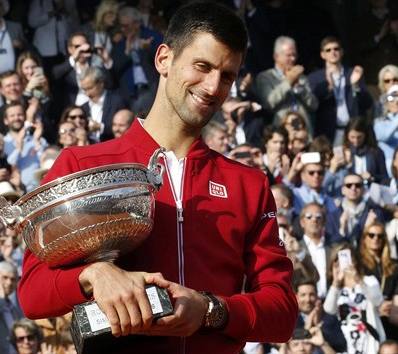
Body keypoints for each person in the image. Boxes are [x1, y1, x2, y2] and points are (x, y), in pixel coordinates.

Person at [18, 3, 298, 353]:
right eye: (202, 66)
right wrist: (93, 275)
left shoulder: (249, 184)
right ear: (164, 58)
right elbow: (32, 293)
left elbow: (282, 312)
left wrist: (211, 310)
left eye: (227, 75)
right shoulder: (82, 164)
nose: (212, 87)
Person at [308, 36, 372, 145]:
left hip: (353, 132)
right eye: (328, 50)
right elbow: (313, 106)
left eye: (336, 49)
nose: (333, 52)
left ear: (342, 52)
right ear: (322, 55)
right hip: (329, 132)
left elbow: (367, 103)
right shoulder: (315, 78)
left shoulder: (353, 73)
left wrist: (355, 85)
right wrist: (329, 86)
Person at [323, 243, 386, 353]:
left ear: (355, 260)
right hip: (347, 344)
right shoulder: (335, 288)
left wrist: (359, 280)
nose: (343, 261)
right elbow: (329, 309)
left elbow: (378, 301)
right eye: (338, 258)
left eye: (348, 256)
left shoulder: (369, 281)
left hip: (370, 342)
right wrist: (336, 283)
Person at [255, 36, 318, 133]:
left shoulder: (301, 77)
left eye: (294, 55)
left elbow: (313, 105)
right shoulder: (265, 77)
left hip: (304, 132)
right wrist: (288, 82)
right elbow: (269, 104)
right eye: (289, 55)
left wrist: (299, 88)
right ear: (277, 56)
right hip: (281, 131)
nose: (293, 59)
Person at [110, 6, 163, 113]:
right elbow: (114, 69)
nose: (123, 29)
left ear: (137, 24)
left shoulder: (153, 36)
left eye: (126, 26)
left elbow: (164, 60)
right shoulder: (119, 45)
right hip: (130, 92)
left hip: (152, 87)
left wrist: (147, 50)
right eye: (121, 26)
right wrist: (127, 53)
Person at [357, 222, 398, 342]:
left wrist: (391, 304)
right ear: (364, 239)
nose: (376, 238)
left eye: (380, 236)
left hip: (390, 314)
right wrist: (377, 305)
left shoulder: (395, 264)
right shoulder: (357, 264)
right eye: (371, 235)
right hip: (367, 314)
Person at [80, 65, 128, 142]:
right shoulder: (83, 107)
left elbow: (126, 128)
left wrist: (101, 127)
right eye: (84, 90)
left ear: (101, 83)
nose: (87, 94)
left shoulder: (117, 102)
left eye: (90, 88)